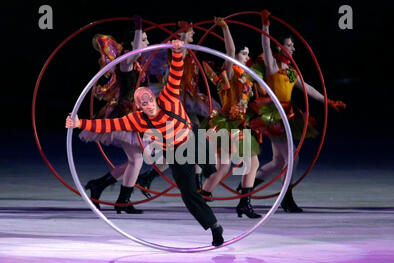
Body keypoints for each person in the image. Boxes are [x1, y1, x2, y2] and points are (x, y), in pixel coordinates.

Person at [66, 40, 224, 247]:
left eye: (149, 100)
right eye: (143, 103)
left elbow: (176, 74)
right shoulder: (138, 119)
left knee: (212, 170)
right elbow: (108, 125)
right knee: (188, 194)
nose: (148, 105)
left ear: (155, 98)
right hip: (176, 153)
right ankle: (214, 227)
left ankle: (200, 171)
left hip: (193, 139)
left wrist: (177, 52)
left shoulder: (168, 97)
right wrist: (80, 123)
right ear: (138, 107)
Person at [249, 10, 346, 212]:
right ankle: (286, 198)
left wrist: (327, 101)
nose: (293, 48)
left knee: (278, 161)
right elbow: (265, 45)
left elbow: (307, 87)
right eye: (289, 45)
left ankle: (247, 189)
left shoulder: (291, 71)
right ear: (280, 46)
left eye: (293, 45)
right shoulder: (272, 67)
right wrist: (265, 26)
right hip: (274, 115)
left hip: (288, 116)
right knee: (292, 158)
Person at [136, 21, 221, 197]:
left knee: (191, 144)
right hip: (177, 100)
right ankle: (195, 187)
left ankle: (152, 177)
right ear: (182, 35)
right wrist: (181, 38)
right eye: (191, 33)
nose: (194, 35)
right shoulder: (175, 51)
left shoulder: (191, 53)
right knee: (186, 145)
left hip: (189, 98)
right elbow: (176, 63)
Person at [79, 15, 151, 214]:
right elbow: (136, 51)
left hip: (135, 116)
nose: (148, 43)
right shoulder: (126, 62)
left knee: (134, 159)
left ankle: (101, 187)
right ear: (132, 43)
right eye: (145, 39)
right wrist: (138, 27)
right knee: (136, 159)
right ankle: (122, 199)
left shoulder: (137, 65)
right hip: (122, 117)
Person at [199, 17, 262, 219]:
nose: (246, 57)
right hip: (226, 124)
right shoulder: (231, 72)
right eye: (243, 53)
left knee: (238, 165)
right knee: (237, 165)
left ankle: (211, 196)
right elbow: (229, 52)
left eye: (247, 54)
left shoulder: (246, 76)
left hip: (239, 124)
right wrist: (225, 29)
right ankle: (208, 197)